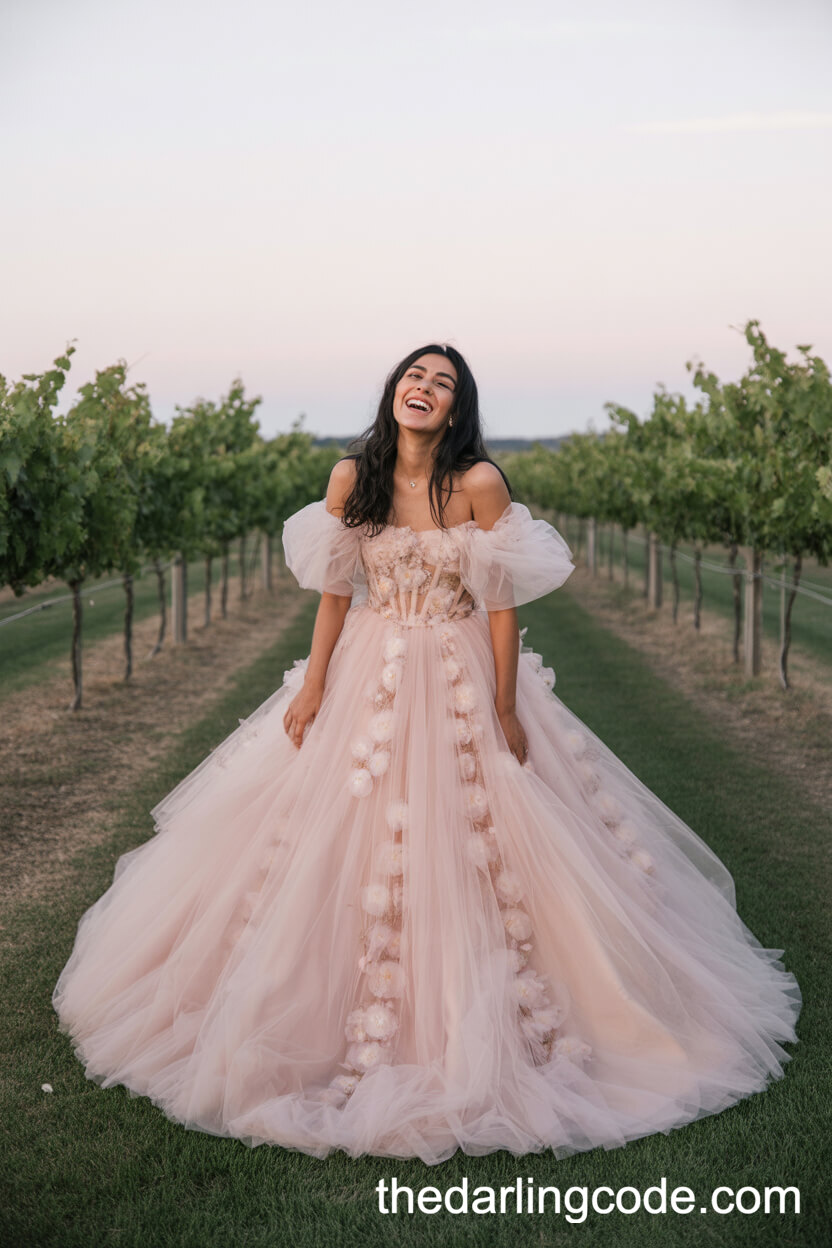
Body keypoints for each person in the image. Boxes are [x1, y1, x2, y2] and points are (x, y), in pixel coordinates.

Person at [52, 343, 801, 1165]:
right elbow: (338, 593)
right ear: (395, 391)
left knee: (486, 836)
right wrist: (312, 688)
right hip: (373, 663)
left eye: (443, 384)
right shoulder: (353, 478)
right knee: (327, 832)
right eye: (416, 375)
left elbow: (503, 608)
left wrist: (508, 707)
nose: (425, 388)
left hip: (458, 667)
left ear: (456, 408)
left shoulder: (479, 484)